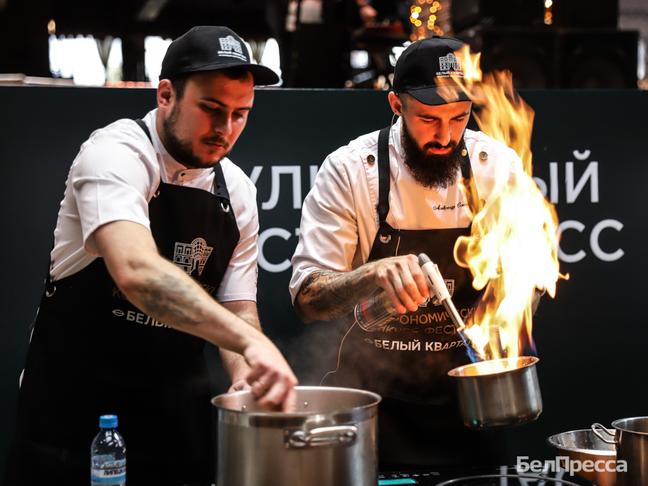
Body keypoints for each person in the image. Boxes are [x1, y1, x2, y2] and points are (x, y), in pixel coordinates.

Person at [6, 26, 297, 486]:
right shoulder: (115, 152)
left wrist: (245, 375)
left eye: (241, 114)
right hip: (73, 423)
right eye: (211, 109)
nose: (226, 130)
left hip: (175, 426)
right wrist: (253, 343)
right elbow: (137, 273)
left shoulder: (237, 190)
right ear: (166, 94)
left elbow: (237, 306)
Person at [290, 36, 529, 468]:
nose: (445, 135)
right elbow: (308, 299)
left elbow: (520, 279)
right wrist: (373, 274)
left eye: (459, 118)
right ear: (396, 106)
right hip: (373, 400)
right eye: (428, 119)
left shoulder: (498, 167)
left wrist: (497, 327)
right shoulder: (349, 170)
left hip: (468, 400)